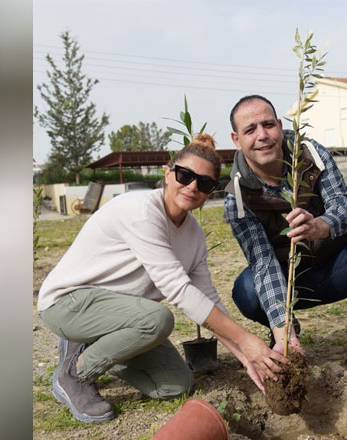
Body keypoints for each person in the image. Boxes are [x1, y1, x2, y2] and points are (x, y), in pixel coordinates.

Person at [37, 134, 288, 423]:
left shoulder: (193, 235)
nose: (192, 186)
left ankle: (98, 349)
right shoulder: (142, 211)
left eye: (204, 183)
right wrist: (247, 340)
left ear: (210, 192)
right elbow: (179, 291)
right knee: (158, 319)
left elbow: (206, 299)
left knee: (174, 385)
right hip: (68, 303)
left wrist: (246, 357)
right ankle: (74, 374)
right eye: (185, 175)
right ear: (168, 174)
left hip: (122, 317)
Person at [224, 95, 347, 377]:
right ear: (236, 139)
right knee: (246, 289)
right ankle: (286, 333)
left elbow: (345, 207)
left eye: (268, 125)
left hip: (341, 267)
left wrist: (321, 225)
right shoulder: (237, 197)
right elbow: (263, 263)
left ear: (279, 125)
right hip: (291, 286)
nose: (262, 136)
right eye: (250, 130)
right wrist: (283, 328)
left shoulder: (309, 153)